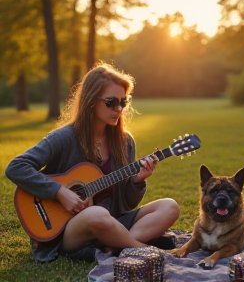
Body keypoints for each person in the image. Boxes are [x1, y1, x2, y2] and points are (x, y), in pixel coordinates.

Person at [5, 62, 180, 263]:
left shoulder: (125, 142)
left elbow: (127, 203)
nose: (118, 109)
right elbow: (16, 167)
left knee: (170, 206)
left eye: (123, 102)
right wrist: (60, 193)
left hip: (110, 222)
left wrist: (137, 181)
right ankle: (142, 249)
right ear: (91, 101)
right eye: (111, 102)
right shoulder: (64, 138)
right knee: (96, 213)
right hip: (68, 230)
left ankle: (113, 246)